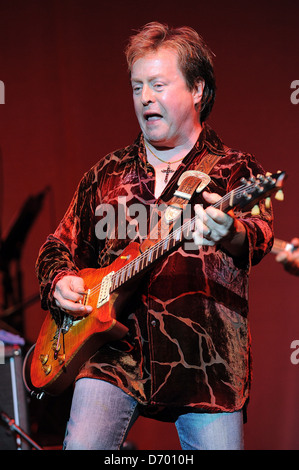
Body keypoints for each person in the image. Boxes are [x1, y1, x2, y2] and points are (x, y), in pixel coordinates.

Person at [35, 22, 274, 450]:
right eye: (137, 86)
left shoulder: (234, 171)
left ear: (197, 90)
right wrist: (60, 283)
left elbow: (258, 236)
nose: (145, 97)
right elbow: (56, 248)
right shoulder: (106, 174)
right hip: (111, 358)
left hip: (206, 364)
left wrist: (231, 230)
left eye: (159, 84)